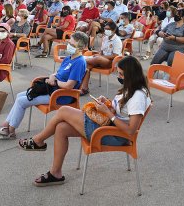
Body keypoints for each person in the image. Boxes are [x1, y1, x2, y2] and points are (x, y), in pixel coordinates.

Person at [16, 55, 150, 187]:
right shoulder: (131, 88)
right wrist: (108, 103)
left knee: (63, 111)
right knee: (61, 128)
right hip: (109, 127)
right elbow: (123, 112)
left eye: (121, 74)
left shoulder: (138, 96)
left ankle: (38, 141)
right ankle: (55, 173)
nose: (119, 77)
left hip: (115, 135)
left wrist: (108, 112)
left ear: (131, 75)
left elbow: (131, 130)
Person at [0, 31, 89, 140]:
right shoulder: (69, 58)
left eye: (72, 45)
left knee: (22, 101)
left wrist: (55, 82)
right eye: (69, 42)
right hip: (53, 89)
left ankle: (10, 131)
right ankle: (5, 126)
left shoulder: (79, 62)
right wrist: (52, 76)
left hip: (61, 95)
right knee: (20, 96)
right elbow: (58, 73)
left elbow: (69, 86)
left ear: (80, 48)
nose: (69, 46)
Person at [80, 21, 122, 94]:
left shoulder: (117, 40)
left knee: (96, 58)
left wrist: (100, 56)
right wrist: (99, 55)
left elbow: (115, 56)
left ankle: (82, 59)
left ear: (114, 30)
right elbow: (101, 51)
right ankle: (84, 88)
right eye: (105, 29)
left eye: (108, 29)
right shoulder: (105, 38)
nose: (106, 31)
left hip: (110, 62)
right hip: (101, 60)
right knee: (87, 66)